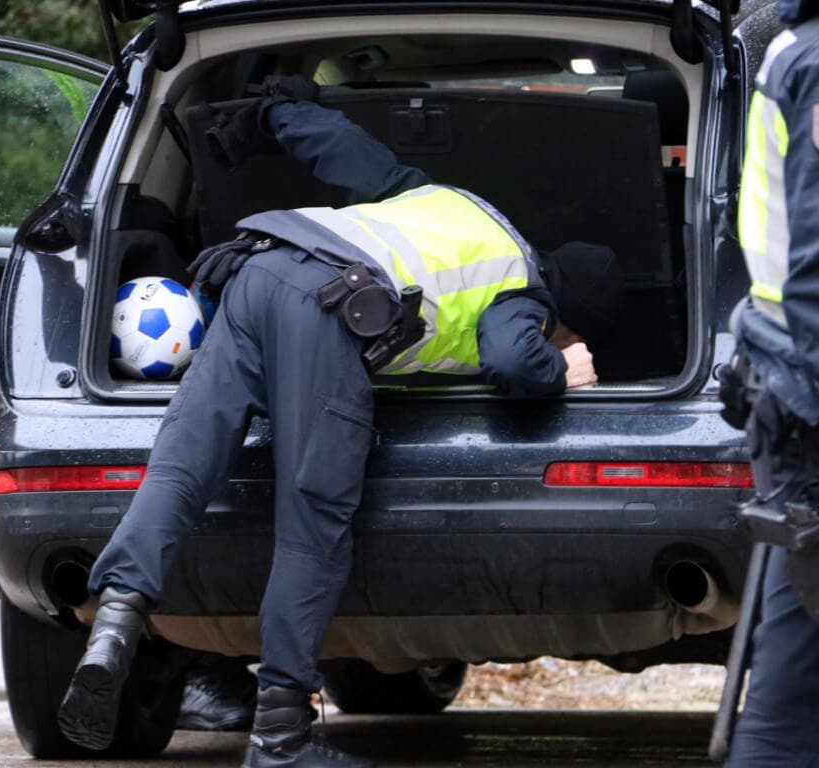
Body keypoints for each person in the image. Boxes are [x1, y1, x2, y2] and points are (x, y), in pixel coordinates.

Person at [56, 76, 627, 767]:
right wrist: (560, 369)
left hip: (257, 267)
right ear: (567, 314)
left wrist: (279, 107)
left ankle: (114, 625)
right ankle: (280, 740)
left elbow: (344, 150)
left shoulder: (447, 202)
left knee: (183, 465)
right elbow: (512, 361)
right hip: (328, 310)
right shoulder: (521, 288)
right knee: (313, 525)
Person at [718, 1, 819, 765]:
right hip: (806, 398)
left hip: (791, 383)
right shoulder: (812, 61)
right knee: (794, 680)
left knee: (796, 658)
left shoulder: (792, 53)